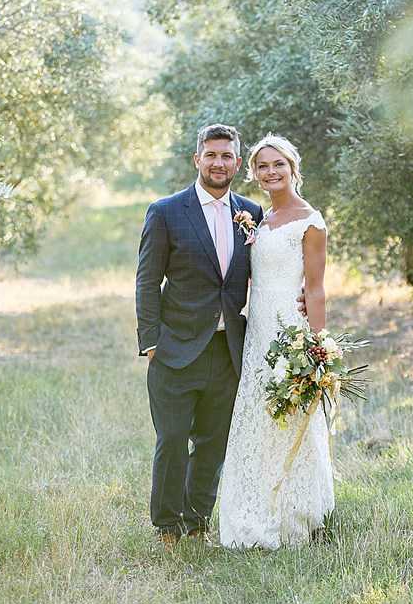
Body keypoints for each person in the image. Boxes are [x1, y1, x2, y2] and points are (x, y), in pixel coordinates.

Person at [136, 123, 283, 548]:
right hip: (175, 348)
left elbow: (264, 276)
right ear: (197, 159)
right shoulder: (165, 211)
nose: (219, 163)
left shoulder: (251, 214)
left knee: (213, 442)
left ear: (238, 163)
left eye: (227, 156)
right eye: (211, 155)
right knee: (171, 441)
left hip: (228, 350)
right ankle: (167, 525)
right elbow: (147, 281)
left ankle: (198, 519)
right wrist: (151, 342)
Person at [218, 133, 334, 549]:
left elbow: (316, 289)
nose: (270, 172)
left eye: (277, 165)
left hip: (290, 333)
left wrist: (317, 349)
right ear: (254, 173)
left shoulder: (310, 221)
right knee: (259, 417)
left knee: (292, 416)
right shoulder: (260, 220)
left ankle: (297, 516)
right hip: (257, 334)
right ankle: (254, 510)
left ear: (292, 167)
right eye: (262, 167)